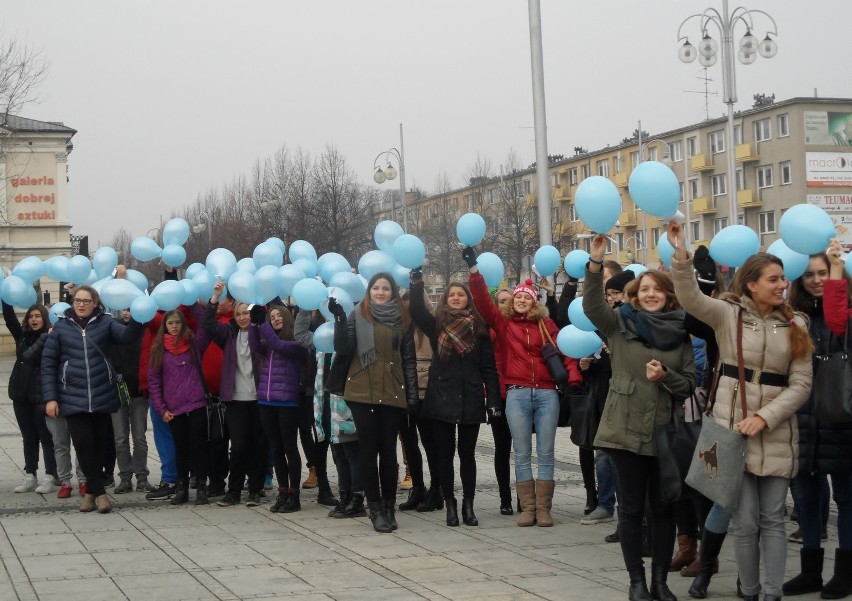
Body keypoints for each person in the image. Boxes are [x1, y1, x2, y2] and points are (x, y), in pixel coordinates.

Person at [668, 222, 812, 601]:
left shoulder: (796, 324)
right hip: (732, 432)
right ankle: (749, 592)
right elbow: (690, 299)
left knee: (774, 520)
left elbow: (801, 385)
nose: (783, 285)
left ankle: (772, 593)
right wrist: (681, 256)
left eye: (783, 278)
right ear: (751, 284)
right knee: (745, 523)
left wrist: (766, 416)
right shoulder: (728, 315)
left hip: (777, 433)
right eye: (774, 279)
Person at [583, 234, 695, 601]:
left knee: (663, 509)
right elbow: (592, 306)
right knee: (631, 509)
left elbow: (689, 385)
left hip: (663, 433)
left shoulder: (680, 332)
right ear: (634, 294)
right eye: (644, 289)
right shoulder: (619, 323)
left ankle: (660, 580)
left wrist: (667, 376)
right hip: (625, 430)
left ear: (667, 295)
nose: (650, 295)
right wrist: (596, 263)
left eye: (657, 290)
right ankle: (637, 583)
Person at [465, 246, 582, 528]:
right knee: (521, 452)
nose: (520, 301)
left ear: (533, 303)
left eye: (525, 298)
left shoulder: (547, 324)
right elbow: (482, 301)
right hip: (516, 394)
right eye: (517, 298)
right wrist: (474, 271)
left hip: (546, 394)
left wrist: (573, 376)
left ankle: (544, 508)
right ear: (511, 302)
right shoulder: (503, 325)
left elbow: (564, 351)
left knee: (545, 451)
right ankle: (527, 508)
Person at [782, 239, 852, 598]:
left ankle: (846, 572)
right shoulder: (795, 316)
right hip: (804, 419)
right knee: (806, 497)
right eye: (808, 274)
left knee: (846, 495)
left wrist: (838, 272)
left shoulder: (845, 312)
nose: (815, 280)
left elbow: (839, 328)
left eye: (823, 273)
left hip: (841, 417)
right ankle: (810, 570)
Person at [409, 270, 500, 527]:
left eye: (461, 295)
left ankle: (469, 506)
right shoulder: (437, 325)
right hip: (441, 397)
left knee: (467, 454)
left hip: (470, 396)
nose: (456, 298)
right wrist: (416, 284)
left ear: (467, 299)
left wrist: (493, 401)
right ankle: (450, 505)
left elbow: (489, 369)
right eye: (452, 295)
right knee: (444, 455)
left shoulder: (479, 329)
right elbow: (417, 311)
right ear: (445, 300)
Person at [41, 285, 144, 514]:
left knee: (100, 447)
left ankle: (90, 494)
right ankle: (101, 495)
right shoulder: (60, 329)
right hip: (72, 397)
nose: (81, 304)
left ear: (95, 303)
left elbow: (128, 336)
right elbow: (48, 365)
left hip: (101, 395)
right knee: (83, 445)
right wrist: (51, 398)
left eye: (86, 301)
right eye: (77, 300)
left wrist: (139, 315)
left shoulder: (106, 323)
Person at [329, 272, 419, 533]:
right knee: (368, 450)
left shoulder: (402, 319)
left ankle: (389, 507)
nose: (381, 292)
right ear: (369, 291)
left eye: (386, 289)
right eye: (376, 288)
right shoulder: (358, 315)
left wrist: (411, 395)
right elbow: (343, 348)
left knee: (389, 453)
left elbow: (408, 359)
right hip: (361, 390)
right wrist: (338, 318)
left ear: (392, 292)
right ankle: (375, 509)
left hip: (392, 390)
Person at [294, 308, 365, 519]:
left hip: (345, 405)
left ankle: (357, 499)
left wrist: (343, 317)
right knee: (339, 455)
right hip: (325, 404)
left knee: (352, 454)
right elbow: (300, 335)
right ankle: (345, 498)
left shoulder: (351, 340)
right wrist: (305, 307)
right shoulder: (320, 338)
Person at [203, 281, 266, 508]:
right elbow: (208, 323)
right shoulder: (228, 334)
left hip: (259, 399)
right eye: (238, 314)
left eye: (246, 313)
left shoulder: (261, 334)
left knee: (258, 446)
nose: (242, 318)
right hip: (236, 400)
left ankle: (255, 489)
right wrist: (215, 298)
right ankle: (234, 490)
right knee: (238, 446)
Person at [147, 309, 212, 505]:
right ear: (165, 327)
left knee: (199, 448)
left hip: (197, 404)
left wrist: (201, 305)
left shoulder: (194, 344)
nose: (174, 327)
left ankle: (201, 486)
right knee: (181, 449)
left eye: (177, 323)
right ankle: (181, 488)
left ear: (183, 324)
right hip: (175, 409)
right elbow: (154, 381)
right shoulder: (158, 350)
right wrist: (161, 408)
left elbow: (206, 328)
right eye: (170, 323)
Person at [249, 304, 308, 513]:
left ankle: (294, 495)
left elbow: (278, 345)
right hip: (267, 401)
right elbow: (256, 346)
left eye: (278, 315)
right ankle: (283, 493)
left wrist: (262, 323)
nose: (275, 319)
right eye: (271, 317)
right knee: (276, 449)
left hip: (287, 402)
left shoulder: (295, 342)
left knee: (289, 448)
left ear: (287, 316)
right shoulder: (269, 341)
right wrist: (254, 325)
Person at [3, 301, 57, 494]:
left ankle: (51, 475)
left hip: (41, 396)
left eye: (38, 316)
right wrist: (5, 295)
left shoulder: (51, 337)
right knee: (28, 437)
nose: (34, 320)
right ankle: (30, 475)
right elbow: (9, 318)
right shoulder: (22, 337)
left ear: (45, 318)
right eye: (31, 316)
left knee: (45, 437)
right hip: (21, 395)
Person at [109, 308, 151, 494]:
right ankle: (125, 477)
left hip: (139, 393)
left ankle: (142, 476)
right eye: (125, 309)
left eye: (131, 309)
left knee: (140, 437)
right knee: (120, 438)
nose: (128, 313)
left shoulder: (145, 330)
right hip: (117, 393)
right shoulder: (113, 330)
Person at [488, 287, 515, 516]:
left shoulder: (521, 325)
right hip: (499, 394)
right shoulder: (493, 328)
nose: (506, 305)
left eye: (510, 301)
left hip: (519, 393)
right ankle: (504, 497)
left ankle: (524, 497)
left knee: (523, 449)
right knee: (501, 448)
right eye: (502, 301)